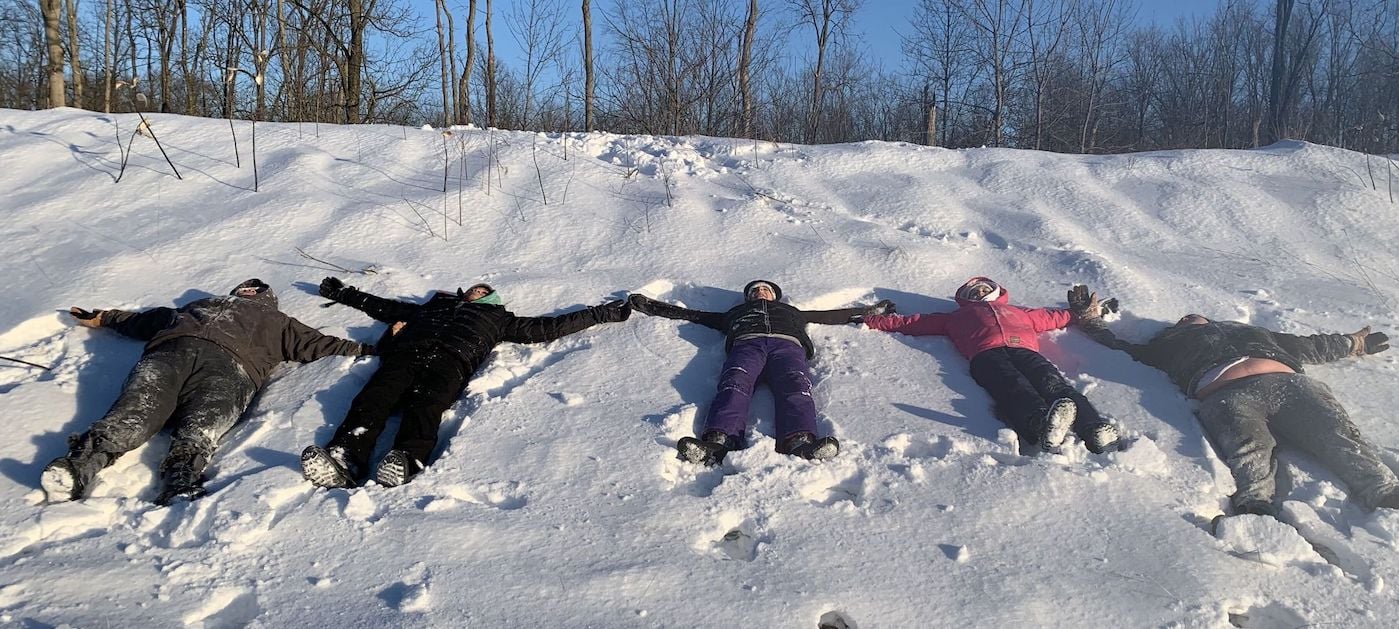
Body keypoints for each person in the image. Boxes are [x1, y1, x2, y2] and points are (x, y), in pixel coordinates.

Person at [1066, 285, 1399, 538]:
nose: (1188, 319)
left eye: (1193, 316)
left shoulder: (1253, 332)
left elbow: (1310, 346)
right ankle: (1256, 514)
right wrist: (1088, 321)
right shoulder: (1167, 344)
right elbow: (1121, 349)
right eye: (1182, 320)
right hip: (1227, 395)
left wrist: (1353, 343)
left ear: (1209, 318)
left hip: (1291, 386)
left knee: (1341, 440)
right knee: (1247, 451)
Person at [43, 279, 371, 505]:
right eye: (246, 289)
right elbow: (145, 320)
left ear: (266, 298)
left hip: (229, 368)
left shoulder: (275, 320)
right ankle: (77, 467)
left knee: (200, 427)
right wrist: (104, 317)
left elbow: (317, 344)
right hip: (173, 354)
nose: (249, 293)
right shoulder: (200, 305)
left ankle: (181, 480)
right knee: (135, 415)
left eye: (256, 290)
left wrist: (369, 349)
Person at [302, 278, 631, 488]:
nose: (476, 290)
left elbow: (549, 328)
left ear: (491, 297)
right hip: (407, 354)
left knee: (426, 407)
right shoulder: (434, 307)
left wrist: (600, 314)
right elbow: (384, 307)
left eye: (483, 290)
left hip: (450, 363)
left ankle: (406, 460)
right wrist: (344, 293)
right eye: (473, 287)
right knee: (373, 399)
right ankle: (345, 457)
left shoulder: (499, 319)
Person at [629, 280, 893, 466]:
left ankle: (800, 442)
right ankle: (719, 442)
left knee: (796, 387)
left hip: (787, 347)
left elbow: (831, 315)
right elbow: (693, 315)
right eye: (755, 291)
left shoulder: (791, 312)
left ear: (774, 295)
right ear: (749, 297)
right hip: (747, 344)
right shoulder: (736, 313)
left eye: (765, 290)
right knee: (734, 384)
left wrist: (871, 312)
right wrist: (650, 306)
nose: (760, 293)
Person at [861, 277, 1121, 456]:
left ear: (996, 290)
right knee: (1013, 388)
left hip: (1026, 351)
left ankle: (1093, 428)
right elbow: (913, 323)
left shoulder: (1021, 313)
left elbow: (1055, 317)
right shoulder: (956, 317)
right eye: (972, 294)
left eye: (984, 289)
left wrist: (1083, 312)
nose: (979, 294)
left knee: (1054, 385)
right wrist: (875, 321)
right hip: (987, 357)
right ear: (965, 300)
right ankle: (1041, 424)